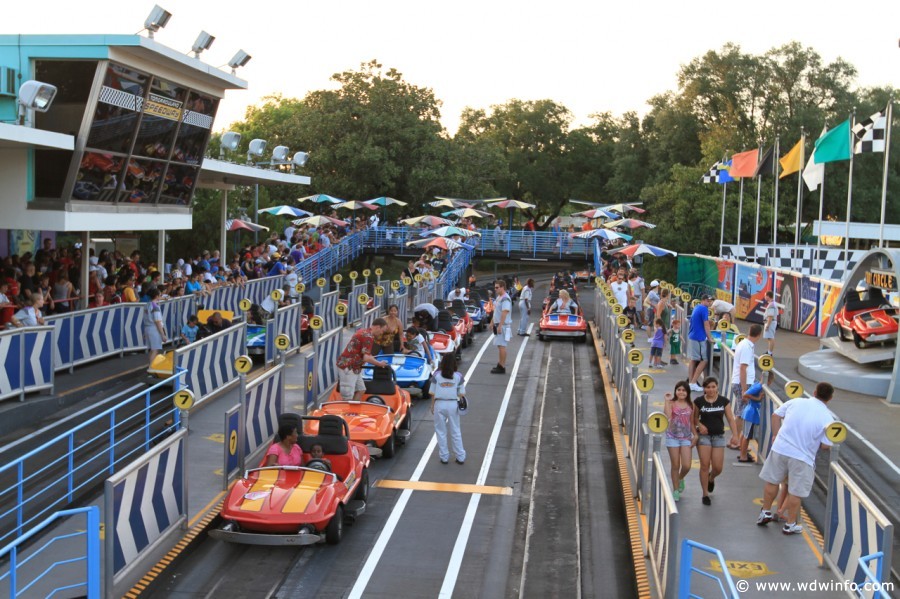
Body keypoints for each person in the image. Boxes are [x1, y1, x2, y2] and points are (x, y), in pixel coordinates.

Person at [756, 382, 836, 534]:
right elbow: (826, 445)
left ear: (814, 392)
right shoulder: (828, 417)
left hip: (780, 448)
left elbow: (775, 415)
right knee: (796, 492)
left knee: (772, 481)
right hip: (802, 457)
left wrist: (775, 434)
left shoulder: (796, 401)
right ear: (830, 398)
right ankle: (790, 524)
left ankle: (765, 512)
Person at [692, 376, 737, 506]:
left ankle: (711, 478)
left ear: (717, 387)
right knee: (705, 465)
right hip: (704, 437)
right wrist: (699, 425)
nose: (711, 390)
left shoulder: (723, 401)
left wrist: (735, 435)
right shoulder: (699, 401)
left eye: (713, 387)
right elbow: (694, 418)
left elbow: (730, 418)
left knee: (718, 467)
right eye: (708, 387)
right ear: (704, 389)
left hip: (718, 436)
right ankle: (705, 494)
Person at [336, 318, 389, 401]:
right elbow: (366, 357)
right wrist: (380, 364)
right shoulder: (368, 337)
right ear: (378, 327)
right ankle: (348, 411)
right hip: (349, 367)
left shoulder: (364, 331)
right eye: (382, 331)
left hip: (353, 367)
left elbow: (365, 353)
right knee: (347, 396)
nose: (381, 333)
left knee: (361, 389)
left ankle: (353, 410)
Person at [729, 324, 762, 450]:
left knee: (740, 411)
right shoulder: (747, 347)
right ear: (759, 335)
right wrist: (744, 389)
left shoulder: (744, 344)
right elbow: (743, 368)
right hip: (742, 383)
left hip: (740, 381)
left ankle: (734, 438)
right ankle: (736, 440)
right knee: (741, 413)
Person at [431, 353, 467, 465]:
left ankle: (444, 457)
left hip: (439, 404)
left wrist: (432, 406)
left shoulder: (436, 375)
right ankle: (460, 456)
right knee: (455, 431)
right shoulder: (458, 376)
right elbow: (461, 394)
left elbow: (432, 393)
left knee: (441, 431)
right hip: (452, 404)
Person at [664, 381, 697, 502]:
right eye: (679, 390)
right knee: (675, 465)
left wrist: (696, 435)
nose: (681, 392)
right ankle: (676, 490)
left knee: (687, 465)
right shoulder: (671, 403)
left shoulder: (691, 405)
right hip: (672, 437)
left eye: (683, 390)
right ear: (675, 391)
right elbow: (668, 416)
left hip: (686, 438)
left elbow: (692, 422)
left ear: (687, 392)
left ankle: (680, 478)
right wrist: (667, 401)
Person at [687, 295, 716, 393]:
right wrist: (710, 338)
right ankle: (693, 382)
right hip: (698, 337)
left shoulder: (697, 307)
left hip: (693, 335)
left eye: (711, 301)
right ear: (703, 300)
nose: (710, 303)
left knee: (693, 360)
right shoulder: (704, 309)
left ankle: (691, 382)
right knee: (704, 360)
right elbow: (706, 324)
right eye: (708, 301)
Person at [491, 279, 513, 374]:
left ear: (502, 287)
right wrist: (492, 321)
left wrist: (500, 326)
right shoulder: (499, 297)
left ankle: (502, 366)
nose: (495, 289)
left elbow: (504, 312)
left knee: (502, 346)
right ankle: (500, 364)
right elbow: (496, 311)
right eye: (495, 287)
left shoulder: (505, 298)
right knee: (500, 345)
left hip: (502, 326)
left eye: (497, 287)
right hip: (499, 325)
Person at [738, 382, 763, 463]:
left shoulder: (757, 384)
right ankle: (743, 457)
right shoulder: (759, 387)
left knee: (744, 434)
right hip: (752, 414)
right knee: (747, 436)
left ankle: (743, 453)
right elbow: (745, 394)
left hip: (749, 412)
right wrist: (758, 399)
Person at [142, 288, 166, 368]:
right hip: (154, 329)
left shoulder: (147, 305)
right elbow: (157, 321)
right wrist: (162, 334)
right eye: (160, 295)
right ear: (156, 296)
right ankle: (151, 368)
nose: (161, 296)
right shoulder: (155, 307)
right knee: (155, 350)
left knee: (152, 350)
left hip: (147, 328)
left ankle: (150, 366)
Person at [763, 291, 777, 355]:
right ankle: (769, 351)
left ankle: (770, 353)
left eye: (765, 295)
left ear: (768, 296)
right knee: (769, 338)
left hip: (771, 323)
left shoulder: (771, 305)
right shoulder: (772, 303)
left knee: (771, 338)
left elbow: (770, 316)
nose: (764, 297)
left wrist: (767, 325)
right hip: (771, 322)